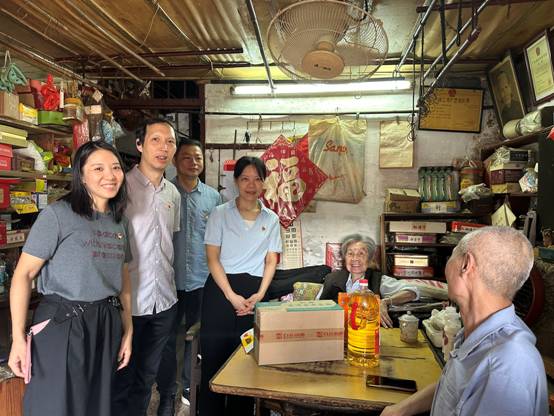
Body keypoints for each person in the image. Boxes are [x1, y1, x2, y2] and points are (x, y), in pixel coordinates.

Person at [8, 141, 132, 416]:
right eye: (98, 168)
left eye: (115, 168)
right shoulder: (58, 214)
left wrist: (128, 330)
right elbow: (23, 275)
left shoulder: (120, 221)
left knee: (97, 405)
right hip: (63, 321)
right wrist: (17, 338)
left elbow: (123, 277)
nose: (110, 176)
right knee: (55, 405)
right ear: (81, 175)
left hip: (106, 320)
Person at [380, 226, 548, 416]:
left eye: (452, 255)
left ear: (466, 265)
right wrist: (400, 410)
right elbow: (454, 386)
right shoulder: (476, 331)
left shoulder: (505, 368)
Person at [199, 156, 282, 416]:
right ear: (236, 181)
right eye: (245, 178)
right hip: (220, 293)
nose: (251, 185)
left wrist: (260, 294)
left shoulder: (271, 218)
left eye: (257, 179)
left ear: (264, 183)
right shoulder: (220, 213)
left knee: (247, 364)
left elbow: (271, 260)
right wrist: (231, 295)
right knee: (214, 361)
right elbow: (212, 258)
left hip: (255, 294)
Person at [112, 118, 180, 416]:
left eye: (170, 142)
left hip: (163, 301)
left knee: (145, 379)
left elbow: (168, 242)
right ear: (139, 145)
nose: (164, 147)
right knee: (121, 378)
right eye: (156, 140)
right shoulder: (119, 188)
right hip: (127, 302)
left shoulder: (173, 194)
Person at [156, 138, 221, 415]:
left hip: (201, 279)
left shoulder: (213, 198)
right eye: (186, 157)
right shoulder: (164, 193)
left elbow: (218, 240)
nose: (193, 163)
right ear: (175, 161)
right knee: (168, 338)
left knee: (196, 336)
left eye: (198, 158)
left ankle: (187, 385)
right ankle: (167, 390)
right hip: (168, 280)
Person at [320, 234, 419, 328]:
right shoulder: (331, 278)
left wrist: (384, 302)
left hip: (366, 335)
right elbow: (316, 307)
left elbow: (412, 292)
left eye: (361, 254)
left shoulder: (378, 280)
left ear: (369, 258)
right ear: (345, 257)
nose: (355, 258)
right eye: (350, 254)